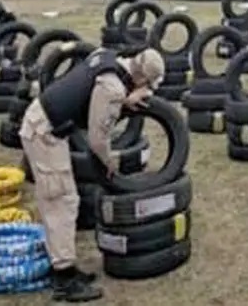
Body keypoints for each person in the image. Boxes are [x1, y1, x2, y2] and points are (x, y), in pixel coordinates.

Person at [20, 46, 165, 302]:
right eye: (148, 86)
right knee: (61, 201)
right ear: (141, 78)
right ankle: (64, 279)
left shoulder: (109, 57)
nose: (147, 91)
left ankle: (66, 267)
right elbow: (97, 141)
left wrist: (124, 101)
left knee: (67, 198)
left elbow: (94, 99)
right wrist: (110, 161)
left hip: (48, 124)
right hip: (44, 133)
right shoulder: (113, 88)